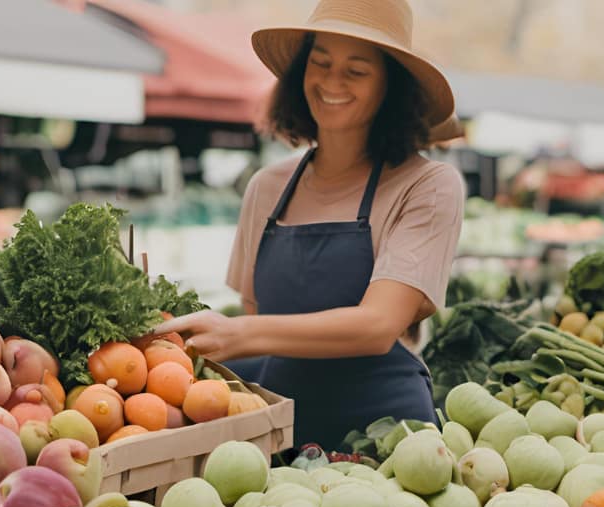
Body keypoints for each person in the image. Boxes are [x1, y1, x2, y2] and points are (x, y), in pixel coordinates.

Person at [155, 0, 465, 451]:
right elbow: (257, 312)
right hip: (278, 431)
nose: (332, 82)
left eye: (356, 70)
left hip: (386, 441)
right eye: (320, 63)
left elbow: (378, 324)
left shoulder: (427, 185)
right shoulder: (267, 187)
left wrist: (236, 334)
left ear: (391, 87)